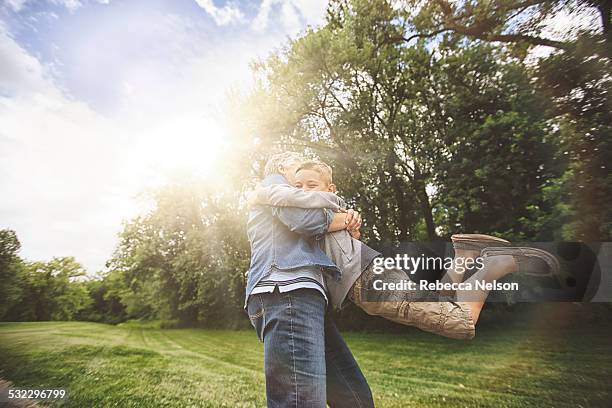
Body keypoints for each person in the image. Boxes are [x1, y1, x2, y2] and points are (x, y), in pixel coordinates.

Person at [250, 159, 561, 340]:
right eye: (299, 187)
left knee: (462, 323)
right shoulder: (333, 210)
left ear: (331, 190)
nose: (303, 192)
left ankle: (498, 264)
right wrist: (349, 223)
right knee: (439, 300)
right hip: (371, 269)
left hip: (367, 281)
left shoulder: (320, 209)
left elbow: (308, 222)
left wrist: (264, 193)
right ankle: (465, 254)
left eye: (311, 185)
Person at [245, 152, 374, 408]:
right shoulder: (274, 183)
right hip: (286, 290)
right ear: (283, 167)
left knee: (354, 397)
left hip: (305, 297)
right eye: (298, 168)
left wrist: (352, 232)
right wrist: (345, 217)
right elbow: (306, 220)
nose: (303, 176)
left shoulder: (295, 199)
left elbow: (335, 254)